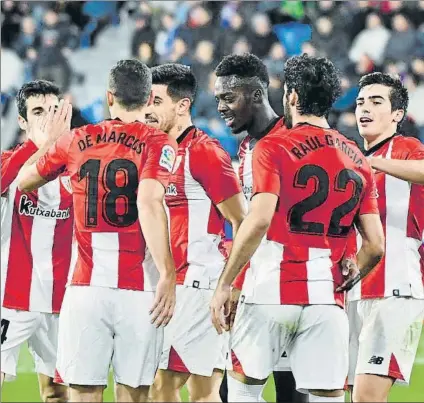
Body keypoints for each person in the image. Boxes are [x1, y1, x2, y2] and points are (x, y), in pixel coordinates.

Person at [210, 54, 385, 403]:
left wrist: (226, 282)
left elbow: (258, 220)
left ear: (290, 96)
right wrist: (348, 269)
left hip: (269, 290)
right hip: (326, 299)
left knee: (241, 394)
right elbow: (376, 245)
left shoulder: (273, 146)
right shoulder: (357, 157)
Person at [17, 59, 178, 403]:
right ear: (150, 99)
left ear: (109, 97)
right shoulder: (159, 142)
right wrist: (168, 272)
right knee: (134, 395)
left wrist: (50, 143)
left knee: (83, 394)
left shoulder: (76, 139)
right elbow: (149, 203)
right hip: (139, 291)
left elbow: (24, 180)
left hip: (85, 289)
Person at [144, 63, 245, 402]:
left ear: (183, 105)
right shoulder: (152, 151)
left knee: (163, 386)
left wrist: (231, 284)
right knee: (202, 391)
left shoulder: (204, 151)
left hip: (197, 285)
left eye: (157, 101)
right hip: (167, 284)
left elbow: (241, 221)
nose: (148, 109)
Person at [213, 53, 308, 403]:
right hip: (259, 288)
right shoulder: (247, 149)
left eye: (228, 97)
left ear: (255, 95)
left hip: (296, 290)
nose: (221, 107)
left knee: (292, 395)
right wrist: (238, 283)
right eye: (218, 97)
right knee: (231, 391)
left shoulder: (295, 140)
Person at [348, 72, 424, 403]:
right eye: (361, 102)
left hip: (395, 290)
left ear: (397, 114)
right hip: (352, 290)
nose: (365, 108)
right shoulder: (348, 154)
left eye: (377, 102)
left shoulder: (407, 148)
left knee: (367, 398)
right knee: (340, 394)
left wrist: (370, 162)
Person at [1, 80, 72, 402]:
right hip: (11, 295)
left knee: (57, 391)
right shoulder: (8, 162)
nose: (47, 118)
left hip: (62, 299)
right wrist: (41, 146)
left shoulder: (81, 166)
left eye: (54, 111)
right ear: (23, 122)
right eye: (38, 112)